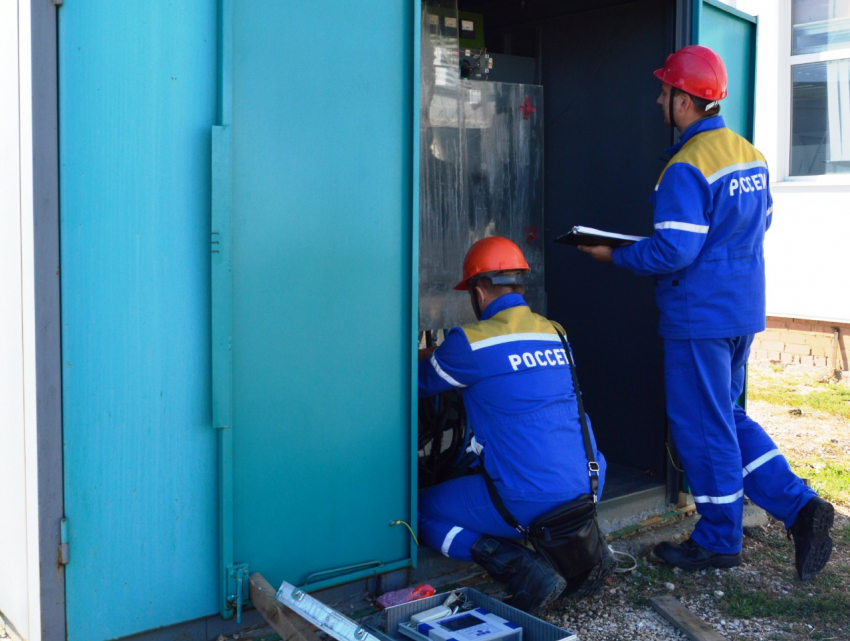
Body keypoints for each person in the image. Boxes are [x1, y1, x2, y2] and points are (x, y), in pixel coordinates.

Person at [577, 45, 834, 579]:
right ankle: (801, 507)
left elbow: (675, 250)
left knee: (702, 425)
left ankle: (719, 538)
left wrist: (613, 254)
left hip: (699, 318)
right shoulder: (750, 154)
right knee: (729, 417)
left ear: (684, 100)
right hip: (741, 310)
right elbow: (759, 224)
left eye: (664, 91)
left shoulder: (685, 166)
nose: (658, 99)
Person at [417, 236, 611, 614]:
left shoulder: (469, 342)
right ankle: (580, 551)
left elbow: (418, 382)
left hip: (530, 500)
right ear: (520, 285)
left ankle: (521, 568)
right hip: (590, 483)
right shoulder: (557, 332)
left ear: (479, 292)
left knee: (417, 511)